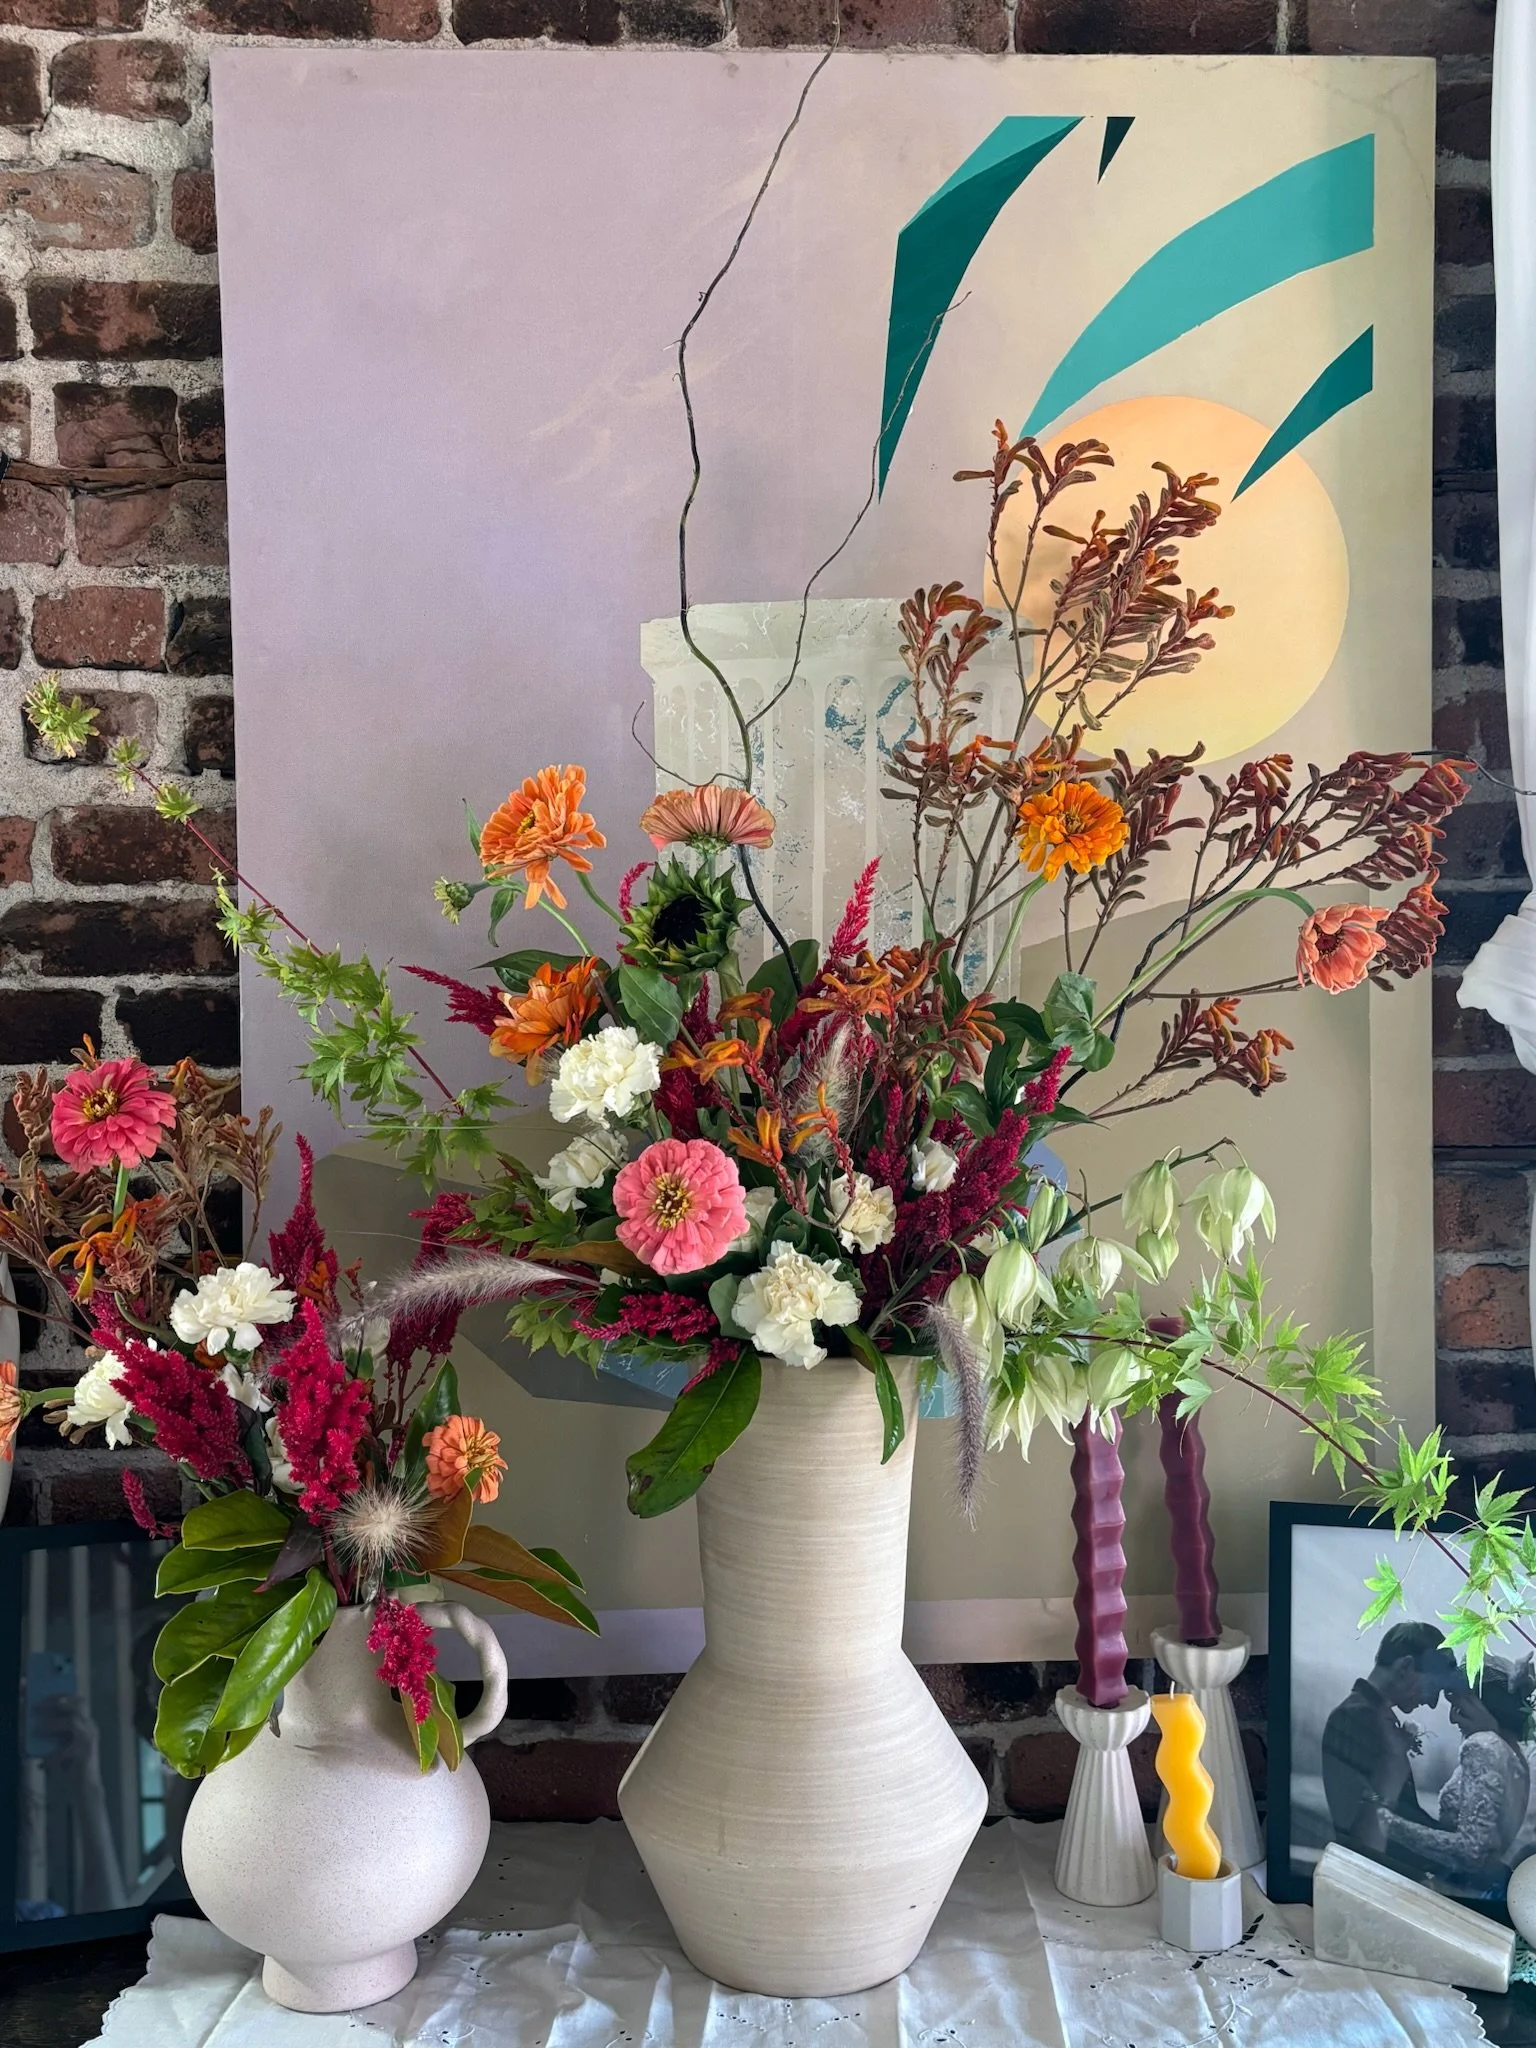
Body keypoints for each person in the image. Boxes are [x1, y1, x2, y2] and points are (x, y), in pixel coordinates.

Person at [1375, 1656, 1536, 1902]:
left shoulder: (1482, 1747)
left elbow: (1470, 1851)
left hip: (1460, 1894)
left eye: (1458, 1704)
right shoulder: (1515, 1754)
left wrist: (1390, 1825)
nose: (1452, 1718)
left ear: (1481, 1703)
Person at [1320, 1620, 1461, 1867]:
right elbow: (1373, 1822)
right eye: (1432, 1687)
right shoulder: (1355, 1717)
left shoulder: (1369, 1716)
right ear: (1405, 1666)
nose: (1432, 1703)